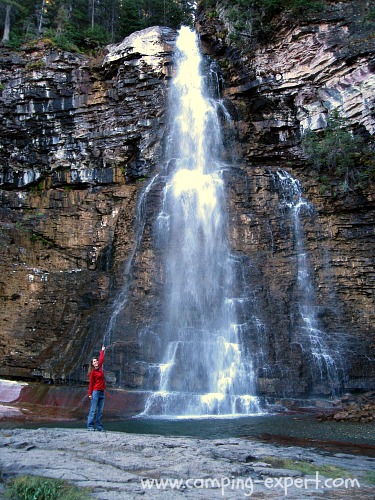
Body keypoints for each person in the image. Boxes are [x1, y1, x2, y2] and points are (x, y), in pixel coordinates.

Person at [87, 345, 106, 431]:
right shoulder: (92, 372)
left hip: (102, 392)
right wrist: (90, 393)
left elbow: (101, 359)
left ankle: (99, 427)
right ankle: (90, 426)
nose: (96, 362)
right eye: (94, 361)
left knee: (100, 412)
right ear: (92, 363)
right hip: (95, 392)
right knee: (93, 410)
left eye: (96, 361)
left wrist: (102, 350)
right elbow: (91, 383)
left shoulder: (100, 368)